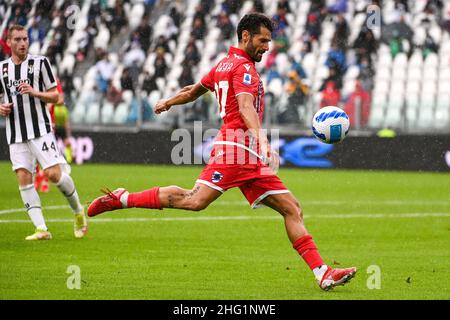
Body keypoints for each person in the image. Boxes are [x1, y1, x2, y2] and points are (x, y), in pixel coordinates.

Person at [87, 13, 356, 291]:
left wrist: (168, 102)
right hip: (236, 149)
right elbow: (245, 106)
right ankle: (123, 198)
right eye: (262, 41)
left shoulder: (224, 64)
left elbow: (194, 91)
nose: (266, 47)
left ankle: (322, 273)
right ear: (245, 36)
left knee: (292, 208)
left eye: (269, 42)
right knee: (195, 200)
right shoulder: (245, 69)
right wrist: (262, 141)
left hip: (246, 154)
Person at [0, 25, 87, 240]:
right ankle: (41, 229)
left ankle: (78, 211)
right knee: (23, 178)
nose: (23, 43)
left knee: (53, 175)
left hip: (40, 130)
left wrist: (33, 92)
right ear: (9, 42)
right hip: (16, 133)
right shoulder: (2, 69)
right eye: (18, 39)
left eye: (25, 39)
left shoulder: (40, 63)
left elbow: (57, 97)